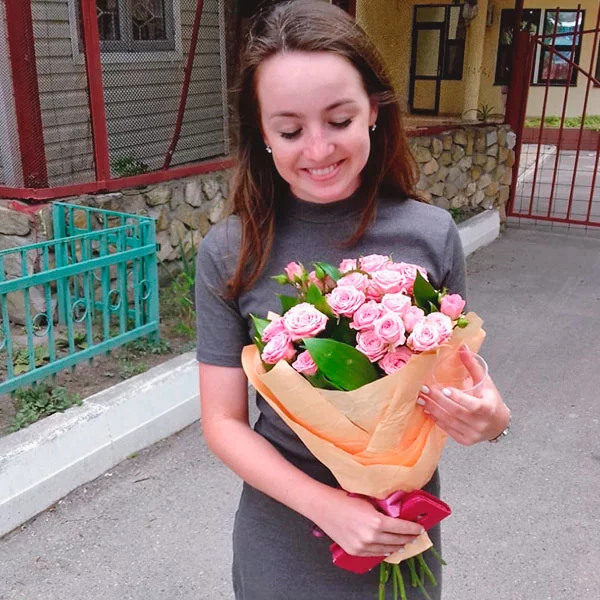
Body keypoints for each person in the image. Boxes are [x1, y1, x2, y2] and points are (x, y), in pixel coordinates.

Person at [195, 2, 511, 598]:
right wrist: (328, 507)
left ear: (373, 111)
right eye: (290, 131)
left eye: (339, 120)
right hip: (285, 538)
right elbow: (224, 422)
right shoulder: (231, 250)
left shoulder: (431, 233)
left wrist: (491, 419)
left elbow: (456, 378)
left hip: (403, 527)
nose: (318, 149)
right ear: (262, 134)